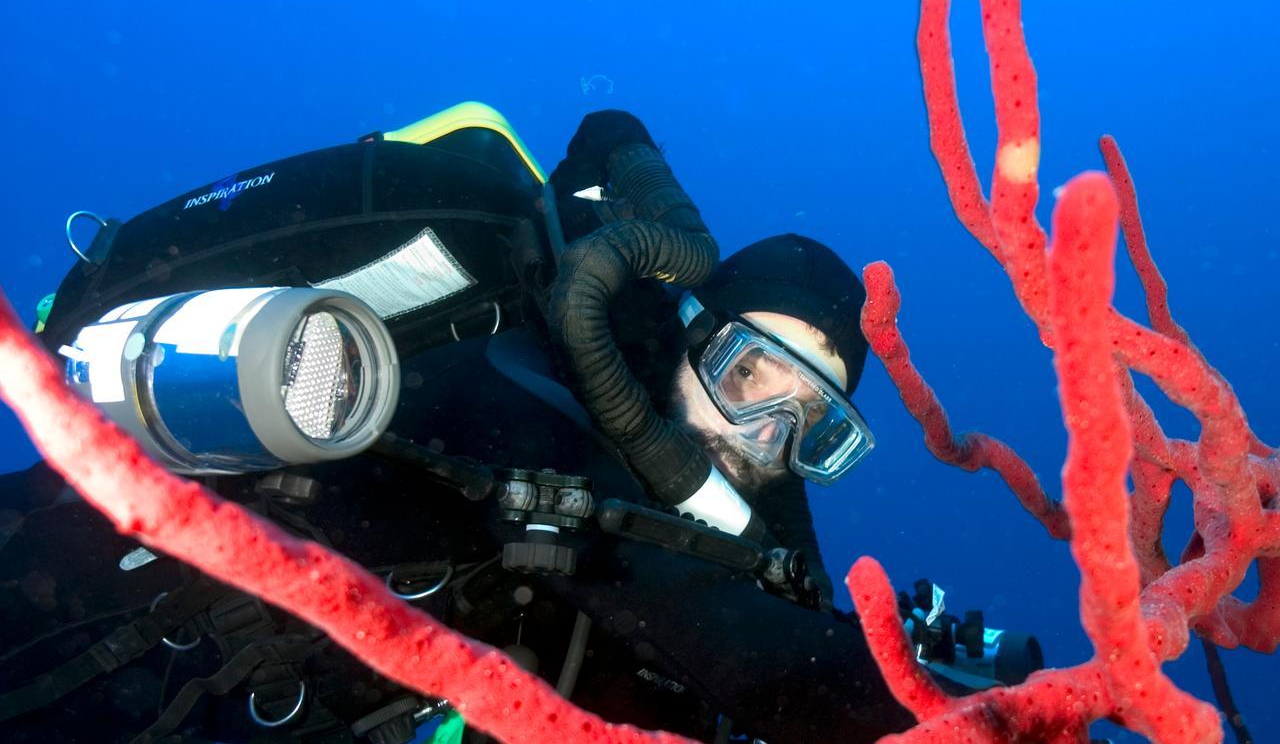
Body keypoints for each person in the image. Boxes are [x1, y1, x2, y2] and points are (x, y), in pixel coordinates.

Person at [0, 108, 1021, 743]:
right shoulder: (521, 384)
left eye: (809, 423)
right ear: (681, 337)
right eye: (748, 371)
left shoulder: (733, 539)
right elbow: (753, 663)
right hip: (63, 635)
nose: (758, 432)